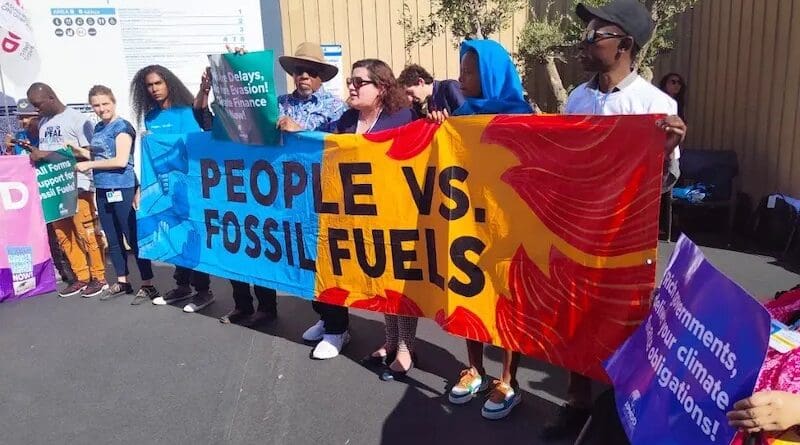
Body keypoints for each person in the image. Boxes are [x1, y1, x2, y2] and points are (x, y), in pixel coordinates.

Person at [541, 0, 688, 439]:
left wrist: (663, 153)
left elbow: (663, 185)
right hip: (578, 231)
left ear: (624, 44)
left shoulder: (655, 103)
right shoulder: (578, 98)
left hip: (625, 239)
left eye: (595, 35)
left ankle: (620, 408)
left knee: (624, 322)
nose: (583, 43)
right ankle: (577, 400)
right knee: (574, 319)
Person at [427, 39, 533, 420]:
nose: (461, 78)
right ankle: (474, 368)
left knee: (506, 303)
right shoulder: (460, 116)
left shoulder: (522, 117)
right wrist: (437, 130)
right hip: (468, 223)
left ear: (490, 73)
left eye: (469, 71)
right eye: (462, 70)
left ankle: (508, 379)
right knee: (467, 293)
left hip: (508, 229)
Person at [287, 59, 417, 361]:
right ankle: (390, 339)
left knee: (398, 280)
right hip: (355, 215)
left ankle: (405, 346)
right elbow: (319, 141)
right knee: (379, 277)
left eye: (359, 82)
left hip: (394, 212)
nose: (351, 87)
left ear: (381, 87)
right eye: (350, 81)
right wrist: (298, 129)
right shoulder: (347, 120)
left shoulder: (402, 118)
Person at [576, 286, 800, 445]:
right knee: (615, 407)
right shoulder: (794, 297)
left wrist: (796, 409)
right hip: (709, 397)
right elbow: (750, 316)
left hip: (755, 428)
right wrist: (681, 308)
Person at [192, 67, 280, 326]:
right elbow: (199, 113)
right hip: (228, 196)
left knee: (258, 250)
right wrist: (205, 88)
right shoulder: (219, 120)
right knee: (234, 251)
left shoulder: (257, 117)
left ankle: (267, 307)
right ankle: (242, 305)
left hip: (257, 195)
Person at [130, 64, 214, 313]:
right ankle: (182, 286)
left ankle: (203, 290)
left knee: (190, 233)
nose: (154, 89)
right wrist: (142, 189)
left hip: (189, 186)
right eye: (149, 85)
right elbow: (150, 157)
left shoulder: (186, 111)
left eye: (158, 83)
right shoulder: (151, 117)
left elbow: (194, 149)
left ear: (169, 83)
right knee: (172, 234)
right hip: (164, 188)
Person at [72, 85, 160, 305]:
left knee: (132, 238)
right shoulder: (100, 127)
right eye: (96, 105)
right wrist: (76, 151)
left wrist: (89, 163)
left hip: (122, 187)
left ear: (113, 102)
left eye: (105, 104)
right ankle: (122, 280)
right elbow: (101, 154)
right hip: (102, 189)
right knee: (112, 239)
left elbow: (120, 160)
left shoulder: (122, 127)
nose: (101, 109)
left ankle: (148, 284)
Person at [27, 83, 107, 298]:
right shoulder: (44, 122)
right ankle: (81, 276)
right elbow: (46, 154)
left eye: (38, 105)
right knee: (64, 235)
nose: (37, 110)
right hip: (54, 188)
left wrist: (48, 155)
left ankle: (99, 277)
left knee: (86, 232)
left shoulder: (78, 120)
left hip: (78, 184)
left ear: (51, 98)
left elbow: (92, 153)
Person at [274, 42, 348, 132]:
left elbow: (337, 143)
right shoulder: (278, 103)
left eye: (311, 71)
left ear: (321, 76)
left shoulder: (336, 107)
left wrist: (300, 131)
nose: (304, 76)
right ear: (293, 74)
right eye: (299, 70)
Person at [396, 64, 465, 116]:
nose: (409, 98)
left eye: (410, 92)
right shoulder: (421, 104)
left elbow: (467, 115)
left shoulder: (449, 87)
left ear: (421, 82)